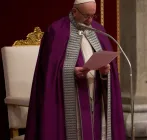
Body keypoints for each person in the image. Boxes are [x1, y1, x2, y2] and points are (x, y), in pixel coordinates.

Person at [24, 0, 126, 140]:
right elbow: (48, 72)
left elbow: (109, 69)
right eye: (86, 16)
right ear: (74, 11)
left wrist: (104, 73)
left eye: (93, 16)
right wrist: (70, 72)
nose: (90, 20)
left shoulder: (98, 30)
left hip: (96, 96)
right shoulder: (57, 30)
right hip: (69, 100)